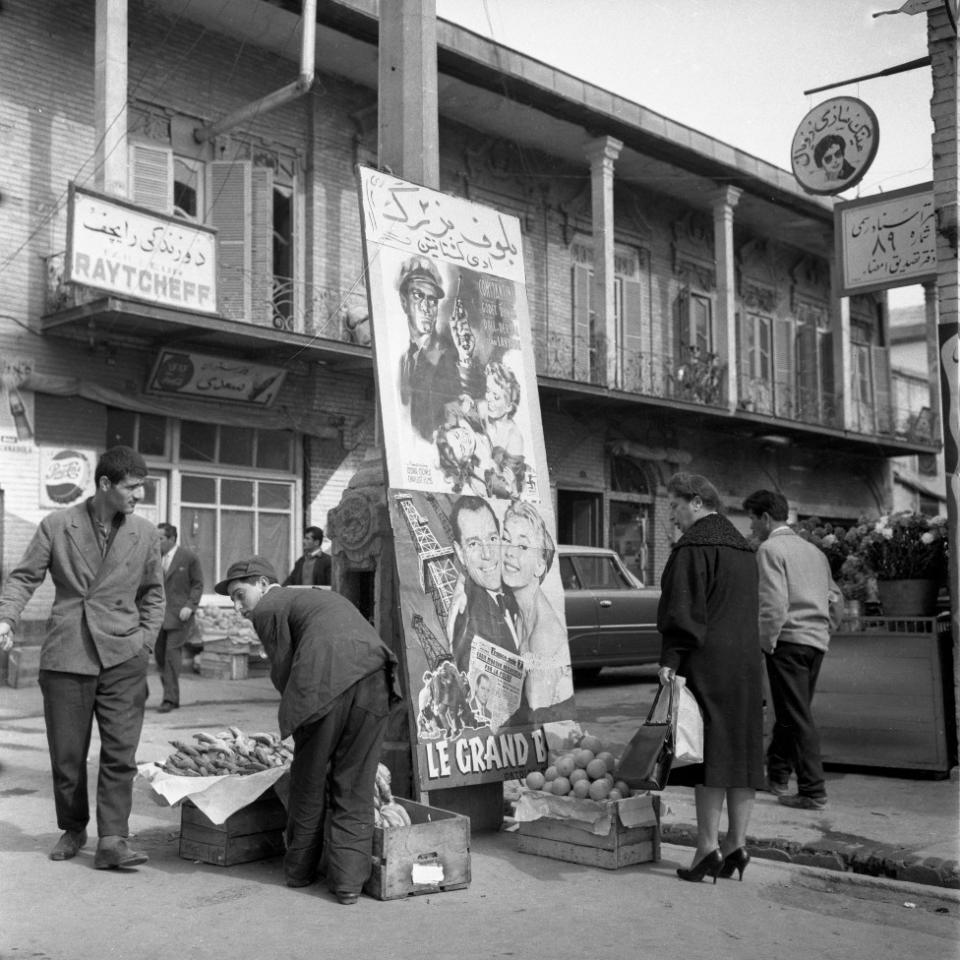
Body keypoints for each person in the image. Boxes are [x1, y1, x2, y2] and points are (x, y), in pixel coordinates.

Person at [0, 446, 164, 868]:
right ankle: (74, 828)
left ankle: (113, 839)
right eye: (132, 486)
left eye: (142, 486)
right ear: (105, 484)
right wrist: (6, 618)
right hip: (67, 654)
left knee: (120, 754)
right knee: (68, 755)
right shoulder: (57, 525)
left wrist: (144, 642)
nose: (139, 495)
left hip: (124, 654)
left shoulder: (145, 533)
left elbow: (153, 594)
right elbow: (24, 578)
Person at [216, 555, 399, 903]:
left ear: (262, 585)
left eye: (240, 595)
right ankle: (347, 884)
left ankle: (299, 872)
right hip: (376, 682)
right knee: (355, 782)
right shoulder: (312, 598)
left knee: (308, 779)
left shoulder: (270, 606)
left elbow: (285, 673)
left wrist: (302, 726)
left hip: (326, 682)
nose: (240, 608)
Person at [657, 472, 764, 884]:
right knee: (740, 753)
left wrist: (670, 657)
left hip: (706, 661)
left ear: (697, 502)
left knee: (709, 756)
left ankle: (706, 848)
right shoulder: (744, 547)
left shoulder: (693, 547)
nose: (674, 515)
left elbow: (683, 613)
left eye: (676, 505)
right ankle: (737, 843)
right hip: (746, 665)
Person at [743, 490, 842, 811]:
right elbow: (835, 597)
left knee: (796, 715)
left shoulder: (770, 549)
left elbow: (773, 604)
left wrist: (765, 643)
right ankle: (778, 774)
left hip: (788, 641)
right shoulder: (814, 551)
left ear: (766, 518)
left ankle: (813, 790)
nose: (751, 526)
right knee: (790, 712)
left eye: (752, 519)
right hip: (815, 641)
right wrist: (826, 629)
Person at [397, 255, 484, 441]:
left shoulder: (447, 353)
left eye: (432, 300)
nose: (427, 307)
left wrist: (465, 359)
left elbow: (469, 403)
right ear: (404, 302)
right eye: (418, 296)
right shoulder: (404, 359)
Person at [500, 499, 574, 718]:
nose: (510, 552)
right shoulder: (516, 610)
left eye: (523, 546)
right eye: (506, 539)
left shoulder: (543, 634)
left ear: (540, 565)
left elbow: (537, 719)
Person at [446, 496, 521, 676]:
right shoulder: (469, 624)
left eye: (492, 538)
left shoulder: (514, 585)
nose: (487, 554)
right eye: (473, 544)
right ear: (460, 553)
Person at [155, 522, 204, 713]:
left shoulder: (188, 557)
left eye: (160, 538)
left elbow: (198, 584)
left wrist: (190, 606)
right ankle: (170, 693)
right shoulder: (154, 557)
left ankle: (170, 698)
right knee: (159, 657)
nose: (156, 542)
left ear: (172, 539)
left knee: (171, 656)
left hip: (179, 616)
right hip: (158, 615)